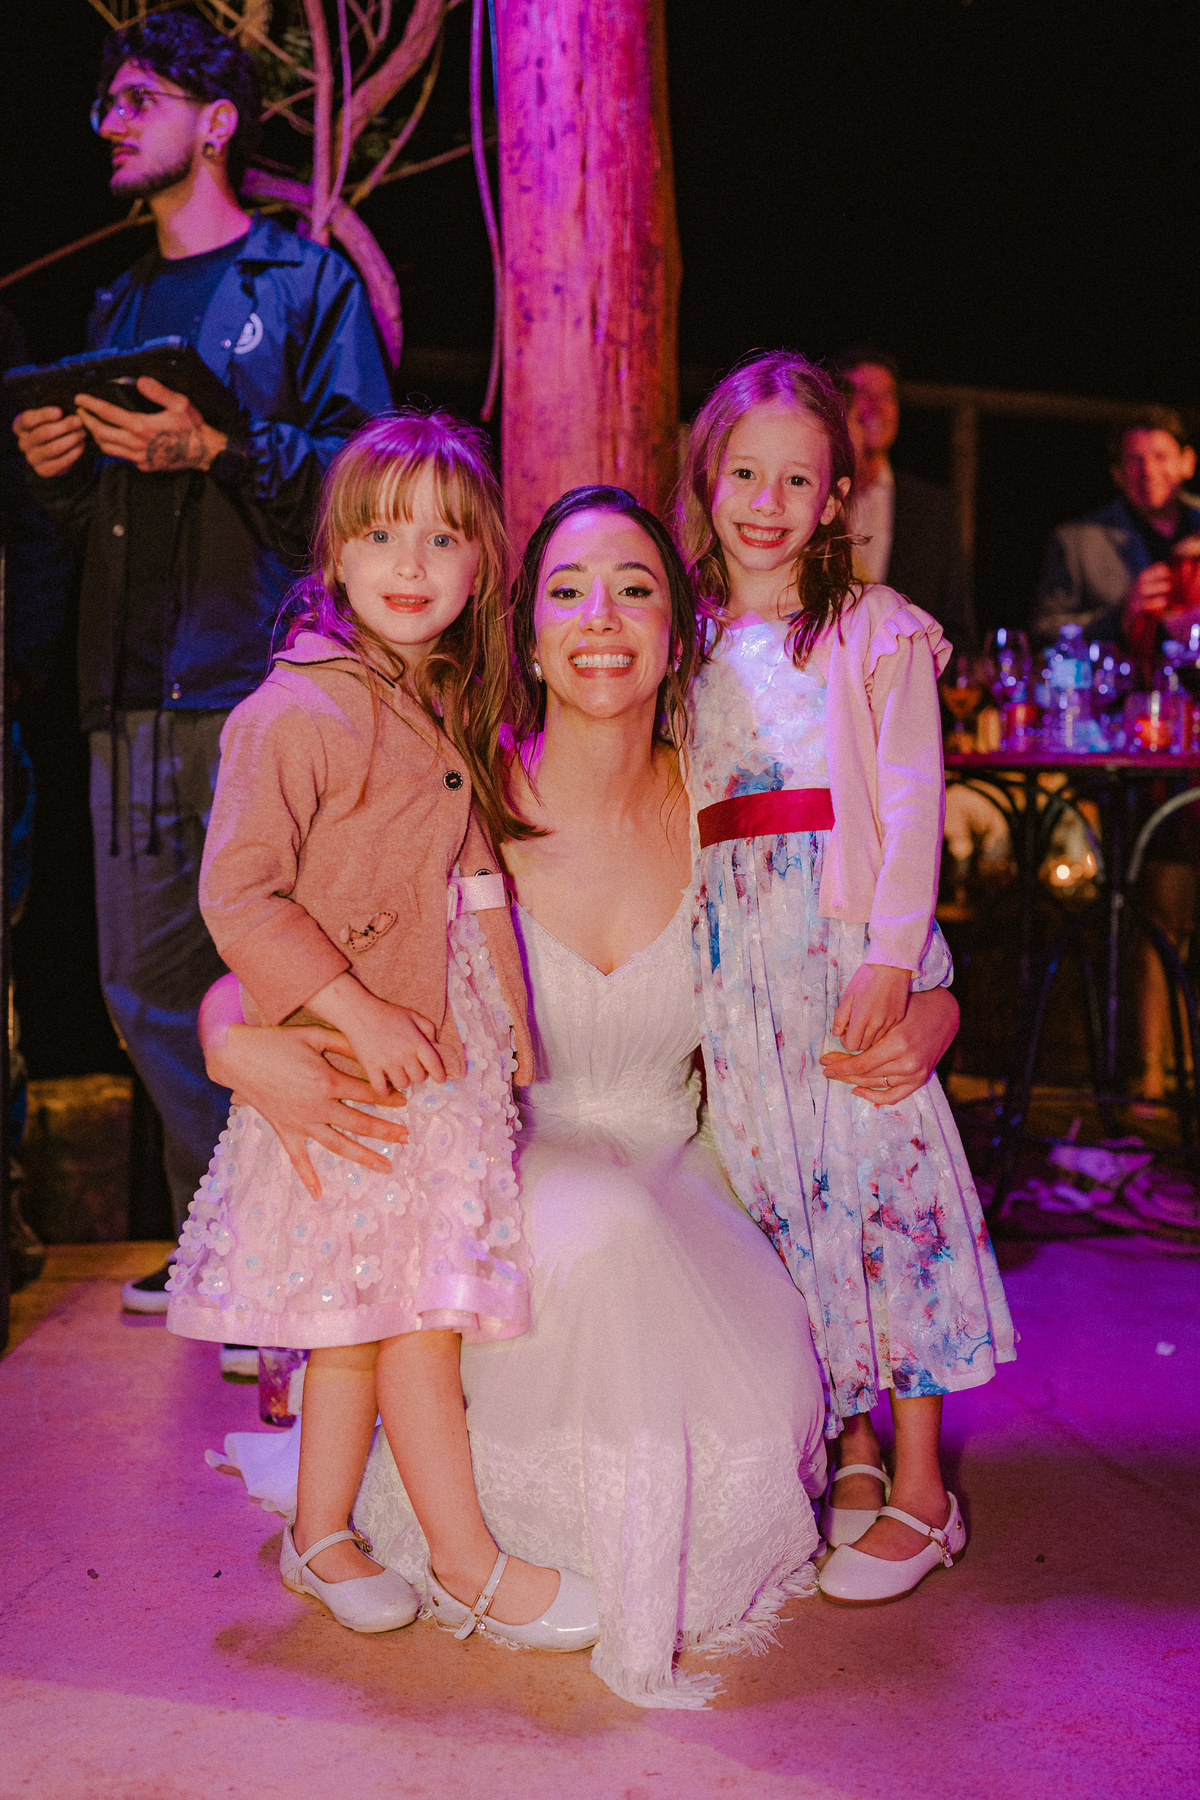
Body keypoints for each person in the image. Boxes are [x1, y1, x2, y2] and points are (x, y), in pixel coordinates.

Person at [194, 486, 961, 1706]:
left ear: (677, 634)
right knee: (598, 1235)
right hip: (509, 1168)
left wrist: (932, 1013)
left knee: (677, 1274)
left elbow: (873, 944)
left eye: (636, 589)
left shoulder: (726, 806)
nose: (601, 616)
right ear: (528, 634)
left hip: (684, 1164)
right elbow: (280, 938)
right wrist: (229, 1044)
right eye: (566, 591)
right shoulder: (460, 791)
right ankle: (483, 1553)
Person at [168, 411, 599, 1651]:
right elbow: (239, 894)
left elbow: (474, 882)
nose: (411, 564)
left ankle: (320, 1534)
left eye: (443, 540)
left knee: (371, 1312)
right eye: (381, 535)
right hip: (357, 1054)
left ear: (481, 567)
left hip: (443, 1051)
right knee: (403, 1316)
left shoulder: (442, 700)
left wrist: (511, 1029)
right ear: (336, 556)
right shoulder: (294, 712)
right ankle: (467, 1563)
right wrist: (350, 1007)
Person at [11, 12, 392, 1319]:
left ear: (216, 121)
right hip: (126, 690)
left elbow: (369, 485)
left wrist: (222, 449)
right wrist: (59, 478)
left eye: (138, 99)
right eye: (108, 102)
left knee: (271, 977)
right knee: (141, 989)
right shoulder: (116, 306)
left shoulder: (304, 286)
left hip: (256, 685)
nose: (109, 124)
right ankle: (229, 1234)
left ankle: (294, 1257)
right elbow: (94, 524)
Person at [675, 350, 1014, 1606]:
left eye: (796, 480)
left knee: (883, 1194)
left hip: (846, 941)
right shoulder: (683, 636)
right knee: (785, 1201)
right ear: (706, 478)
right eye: (744, 474)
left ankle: (925, 1489)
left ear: (835, 497)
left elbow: (914, 800)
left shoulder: (876, 628)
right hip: (735, 966)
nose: (766, 502)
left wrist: (891, 957)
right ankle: (853, 1447)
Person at [1035, 412, 1200, 1101]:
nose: (1147, 471)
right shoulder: (1080, 541)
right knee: (1152, 906)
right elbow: (1046, 637)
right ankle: (1146, 1074)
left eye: (1160, 456)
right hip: (1133, 758)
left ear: (1186, 461)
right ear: (1115, 473)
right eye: (1133, 460)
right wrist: (1119, 616)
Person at [833, 346, 978, 650]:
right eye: (862, 393)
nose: (876, 407)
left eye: (886, 395)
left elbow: (958, 629)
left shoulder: (934, 508)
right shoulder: (811, 498)